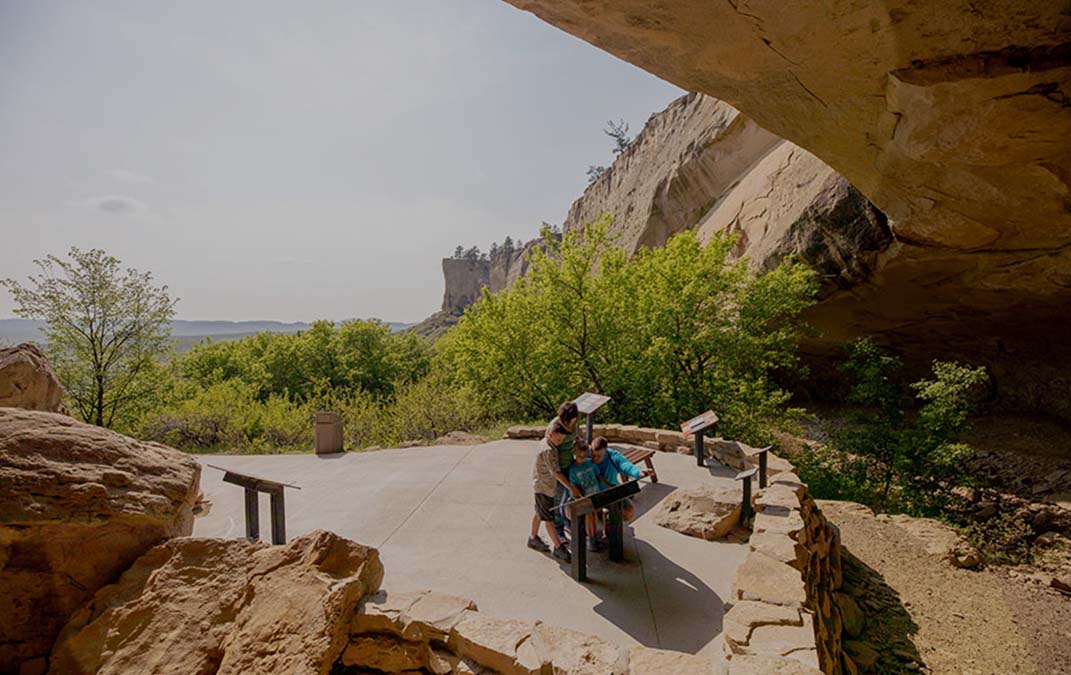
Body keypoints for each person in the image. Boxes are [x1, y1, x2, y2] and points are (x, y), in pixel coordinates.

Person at [529, 423, 580, 562]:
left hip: (540, 485)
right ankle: (558, 548)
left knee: (540, 512)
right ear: (550, 435)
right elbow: (556, 473)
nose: (560, 443)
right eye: (558, 440)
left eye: (562, 440)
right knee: (549, 519)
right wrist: (571, 487)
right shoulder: (549, 451)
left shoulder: (546, 441)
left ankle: (532, 538)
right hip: (544, 488)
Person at [590, 436, 654, 524]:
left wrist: (639, 472)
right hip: (591, 493)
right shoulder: (586, 455)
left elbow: (626, 465)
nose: (594, 459)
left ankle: (607, 518)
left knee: (628, 512)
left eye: (598, 456)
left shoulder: (613, 456)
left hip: (610, 489)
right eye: (593, 455)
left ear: (605, 452)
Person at [545, 401, 580, 538]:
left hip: (570, 464)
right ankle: (558, 529)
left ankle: (567, 521)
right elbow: (548, 450)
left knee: (568, 498)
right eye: (568, 421)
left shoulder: (574, 424)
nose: (571, 424)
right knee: (558, 500)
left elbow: (577, 437)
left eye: (573, 421)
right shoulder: (554, 427)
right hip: (558, 469)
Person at [564, 439, 607, 551]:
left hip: (594, 494)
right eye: (579, 457)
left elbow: (598, 476)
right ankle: (591, 540)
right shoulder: (573, 469)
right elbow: (574, 486)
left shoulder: (590, 463)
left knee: (594, 515)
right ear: (575, 454)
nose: (582, 459)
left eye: (584, 456)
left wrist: (607, 486)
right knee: (588, 516)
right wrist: (579, 497)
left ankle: (596, 536)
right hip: (584, 498)